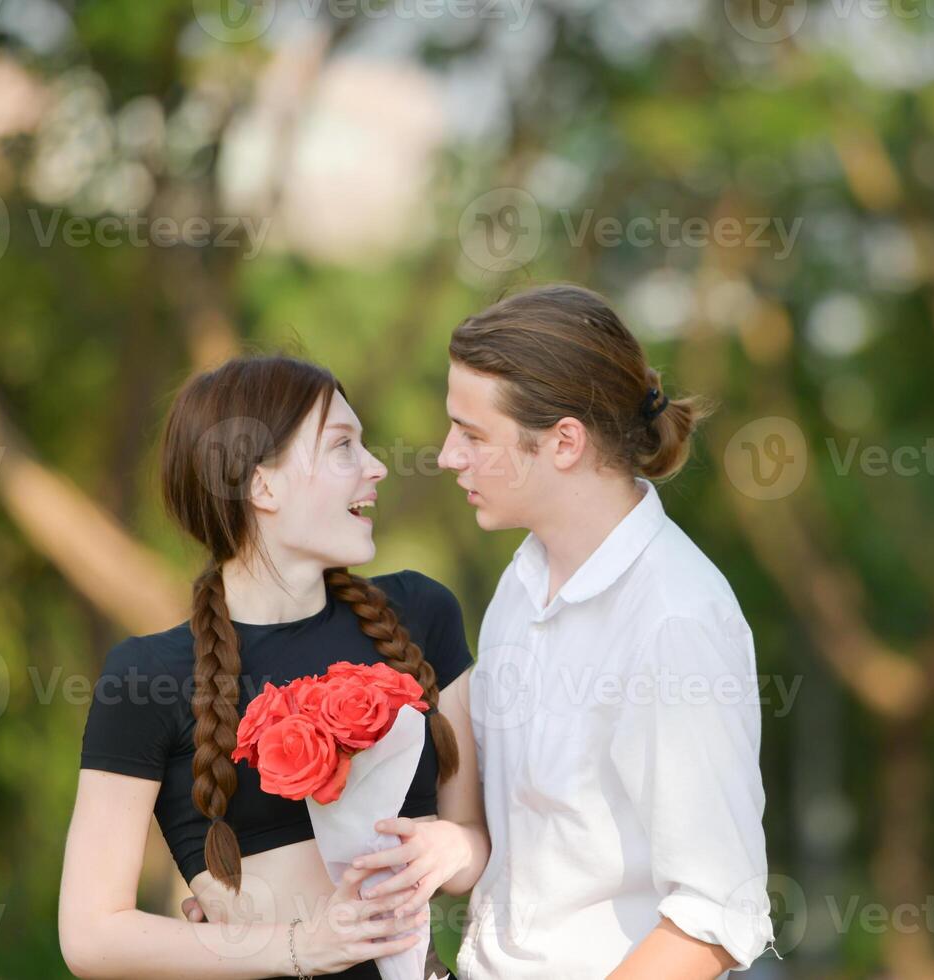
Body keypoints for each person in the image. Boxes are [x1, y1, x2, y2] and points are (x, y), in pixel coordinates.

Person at [57, 354, 488, 979]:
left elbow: (476, 838)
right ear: (261, 485)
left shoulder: (422, 613)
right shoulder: (146, 677)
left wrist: (453, 847)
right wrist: (301, 945)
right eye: (343, 447)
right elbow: (92, 934)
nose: (376, 468)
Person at [434, 283, 774, 978]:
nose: (445, 456)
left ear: (563, 442)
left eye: (471, 434)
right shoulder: (524, 580)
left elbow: (715, 917)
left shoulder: (675, 620)